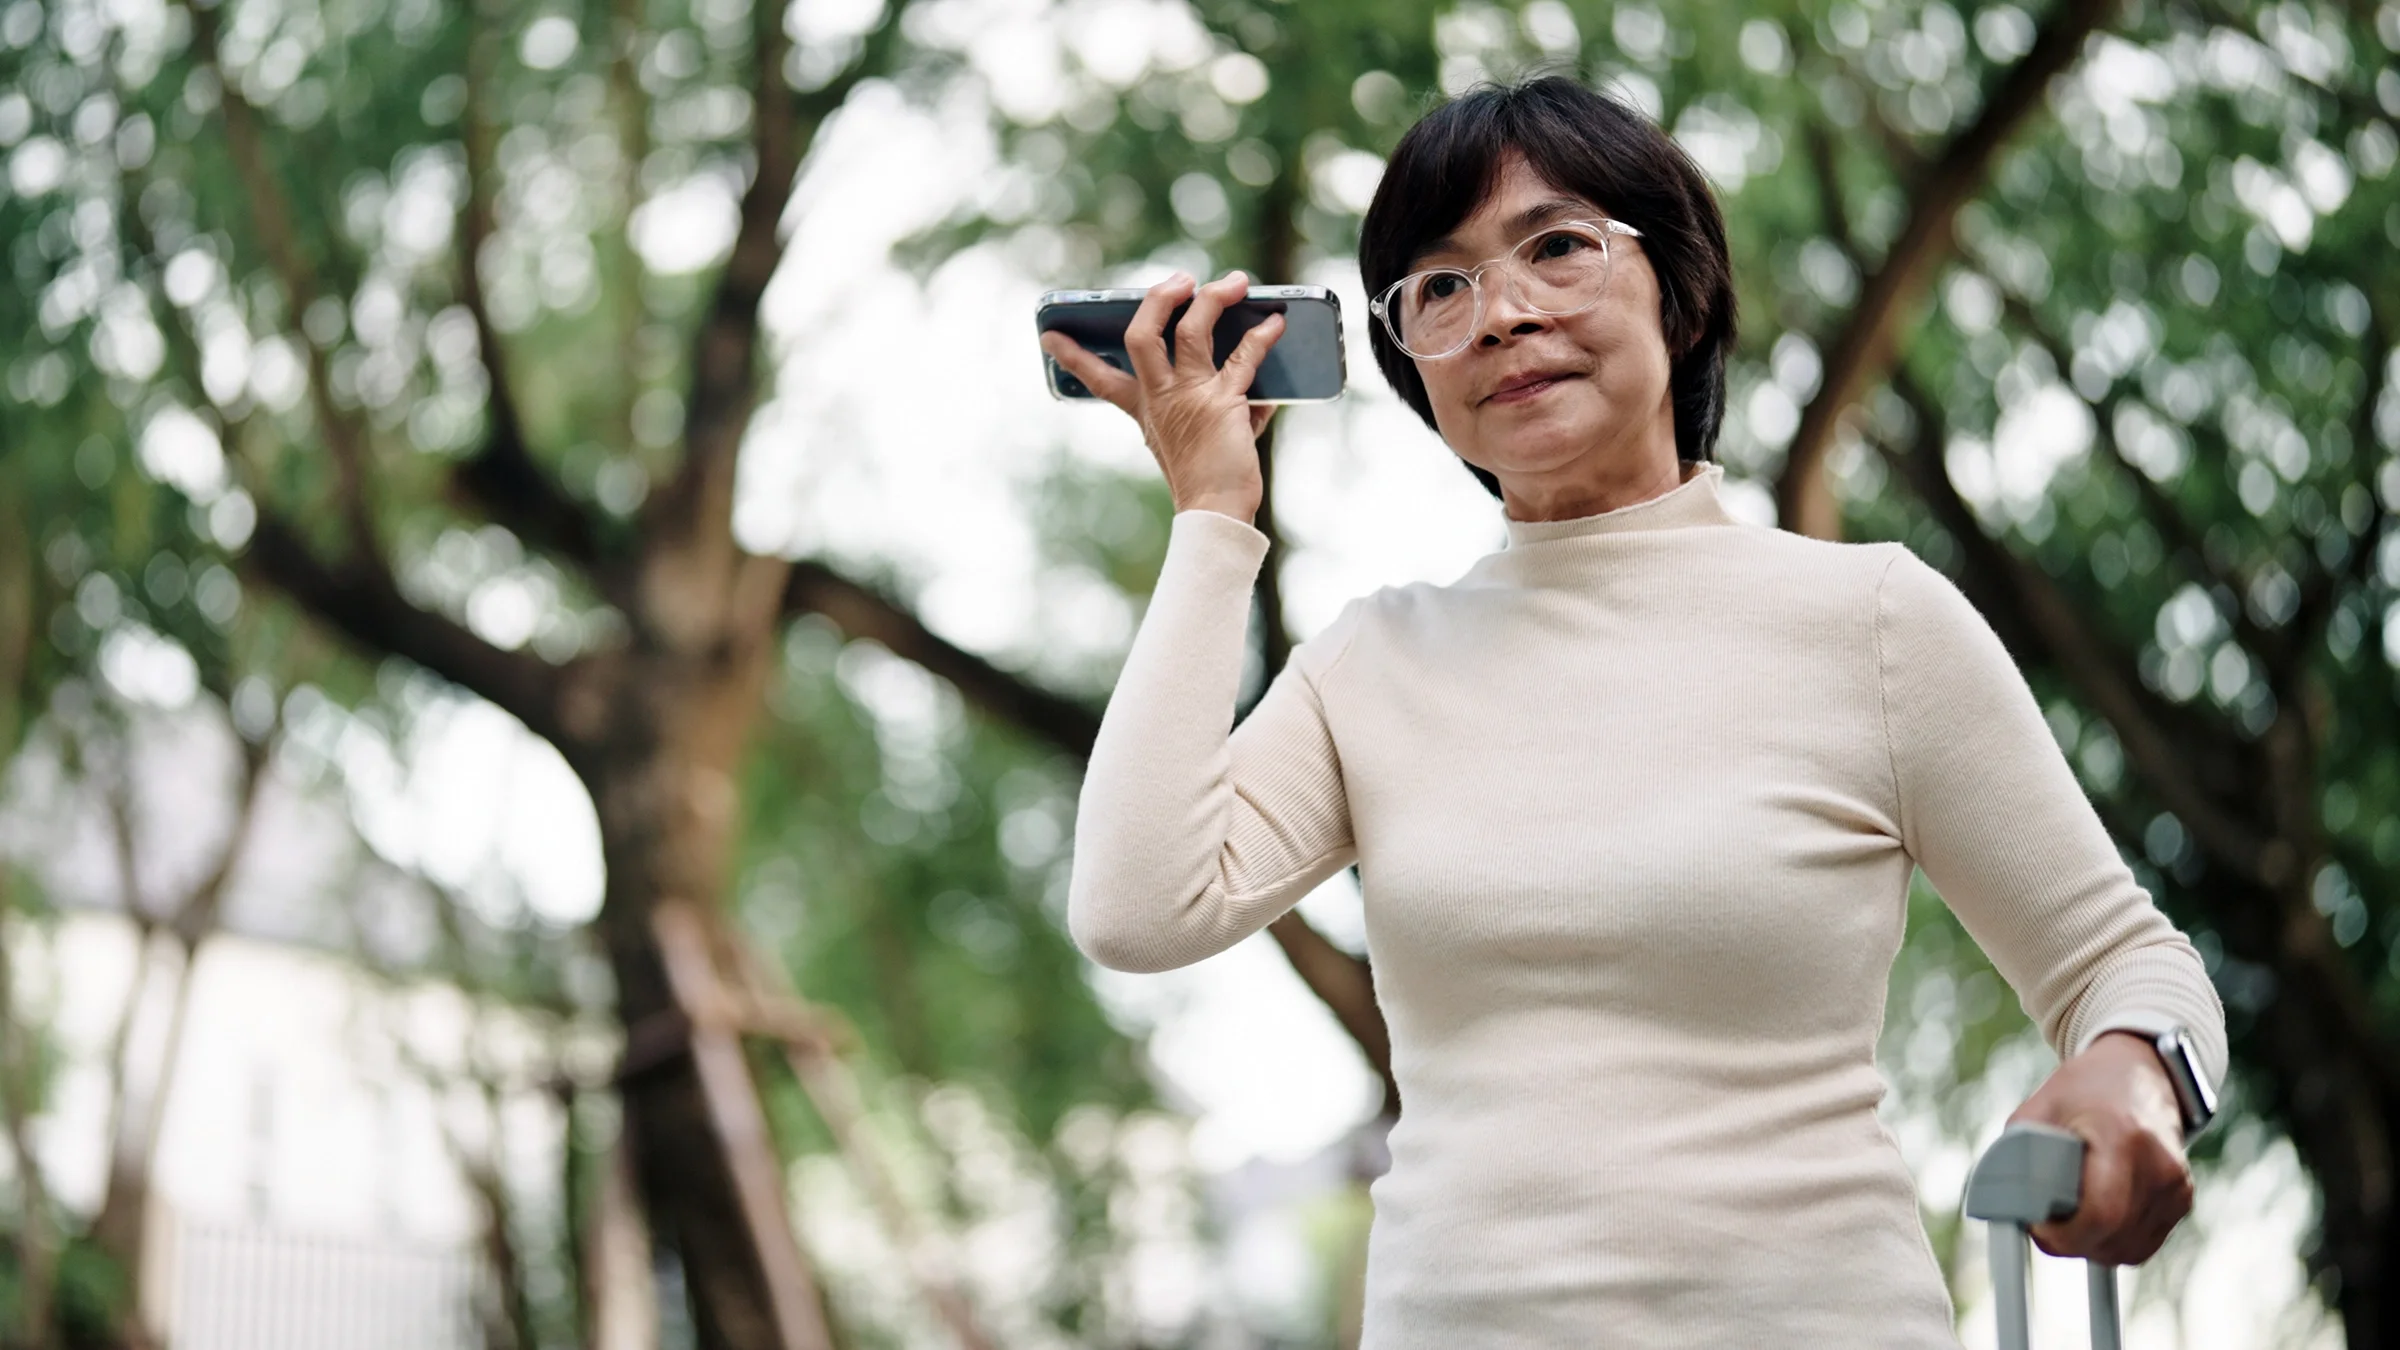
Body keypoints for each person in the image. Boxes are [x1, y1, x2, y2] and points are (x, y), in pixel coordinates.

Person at [1038, 75, 2224, 1347]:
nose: (1500, 314)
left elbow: (2125, 963)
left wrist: (2134, 1078)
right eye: (1439, 287)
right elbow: (1136, 907)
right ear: (1411, 368)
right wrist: (1215, 520)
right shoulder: (1372, 662)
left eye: (1556, 248)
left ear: (1681, 289)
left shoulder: (1873, 619)